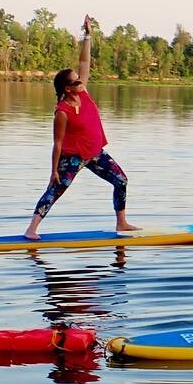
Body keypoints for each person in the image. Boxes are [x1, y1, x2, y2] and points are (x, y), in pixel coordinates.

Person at [24, 16, 139, 241]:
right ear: (67, 88)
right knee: (56, 190)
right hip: (73, 157)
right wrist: (54, 171)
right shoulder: (62, 111)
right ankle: (31, 230)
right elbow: (57, 143)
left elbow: (84, 63)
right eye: (76, 82)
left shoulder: (83, 93)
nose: (81, 82)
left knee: (121, 181)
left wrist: (88, 35)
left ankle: (122, 223)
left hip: (95, 153)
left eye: (79, 80)